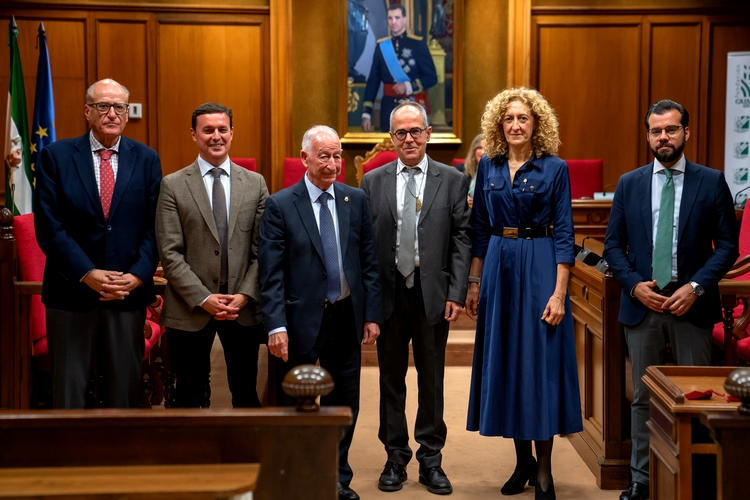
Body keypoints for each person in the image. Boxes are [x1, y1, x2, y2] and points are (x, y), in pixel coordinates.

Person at [603, 99, 738, 500]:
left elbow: (727, 247)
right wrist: (634, 286)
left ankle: (698, 482)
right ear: (648, 136)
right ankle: (641, 480)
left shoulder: (711, 181)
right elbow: (613, 247)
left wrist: (695, 287)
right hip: (642, 305)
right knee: (643, 397)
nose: (664, 137)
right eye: (656, 131)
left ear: (686, 133)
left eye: (671, 129)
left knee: (697, 395)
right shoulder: (629, 183)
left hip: (691, 305)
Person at [465, 87, 582, 500]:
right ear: (499, 125)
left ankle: (545, 471)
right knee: (508, 363)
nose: (515, 125)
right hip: (499, 265)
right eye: (509, 119)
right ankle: (523, 463)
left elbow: (565, 233)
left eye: (523, 118)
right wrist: (475, 283)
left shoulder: (555, 168)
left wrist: (558, 294)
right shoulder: (489, 166)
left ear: (536, 124)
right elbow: (480, 230)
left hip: (539, 262)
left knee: (538, 365)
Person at [258, 125, 382, 500]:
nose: (332, 164)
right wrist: (275, 326)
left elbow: (369, 263)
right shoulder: (280, 204)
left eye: (337, 156)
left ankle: (336, 476)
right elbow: (271, 273)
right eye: (324, 156)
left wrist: (371, 314)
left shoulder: (355, 200)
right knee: (291, 401)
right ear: (305, 158)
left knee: (344, 401)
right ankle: (294, 474)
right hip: (298, 320)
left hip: (345, 315)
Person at [361, 100, 471, 495]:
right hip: (388, 294)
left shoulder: (452, 180)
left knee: (432, 379)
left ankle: (431, 459)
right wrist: (368, 303)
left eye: (415, 131)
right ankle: (395, 457)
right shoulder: (372, 182)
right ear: (391, 138)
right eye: (401, 132)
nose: (409, 139)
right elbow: (364, 246)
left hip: (432, 293)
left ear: (428, 134)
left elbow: (462, 239)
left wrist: (457, 292)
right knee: (390, 379)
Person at [34, 78, 162, 408]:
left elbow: (156, 227)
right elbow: (49, 228)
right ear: (87, 111)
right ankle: (69, 445)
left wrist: (138, 276)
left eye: (119, 107)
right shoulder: (56, 156)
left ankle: (120, 446)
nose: (112, 113)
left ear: (127, 113)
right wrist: (87, 273)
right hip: (70, 293)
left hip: (125, 293)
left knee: (124, 395)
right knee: (68, 395)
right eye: (103, 106)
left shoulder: (147, 159)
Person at [155, 102, 268, 409]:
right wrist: (204, 298)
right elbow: (170, 253)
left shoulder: (255, 183)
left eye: (222, 129)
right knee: (188, 396)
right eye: (208, 130)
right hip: (190, 308)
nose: (216, 136)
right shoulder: (173, 185)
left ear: (232, 133)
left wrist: (244, 295)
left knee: (246, 394)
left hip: (241, 307)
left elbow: (263, 250)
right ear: (194, 134)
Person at [361, 4, 437, 133]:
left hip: (412, 106)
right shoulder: (382, 46)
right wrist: (366, 113)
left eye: (397, 17)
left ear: (404, 19)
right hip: (388, 107)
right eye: (390, 18)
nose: (393, 22)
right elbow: (373, 81)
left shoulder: (417, 44)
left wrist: (408, 86)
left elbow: (431, 77)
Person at [454, 134, 485, 199]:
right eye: (479, 148)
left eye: (486, 148)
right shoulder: (460, 170)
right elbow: (453, 193)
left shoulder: (496, 172)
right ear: (473, 151)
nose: (483, 152)